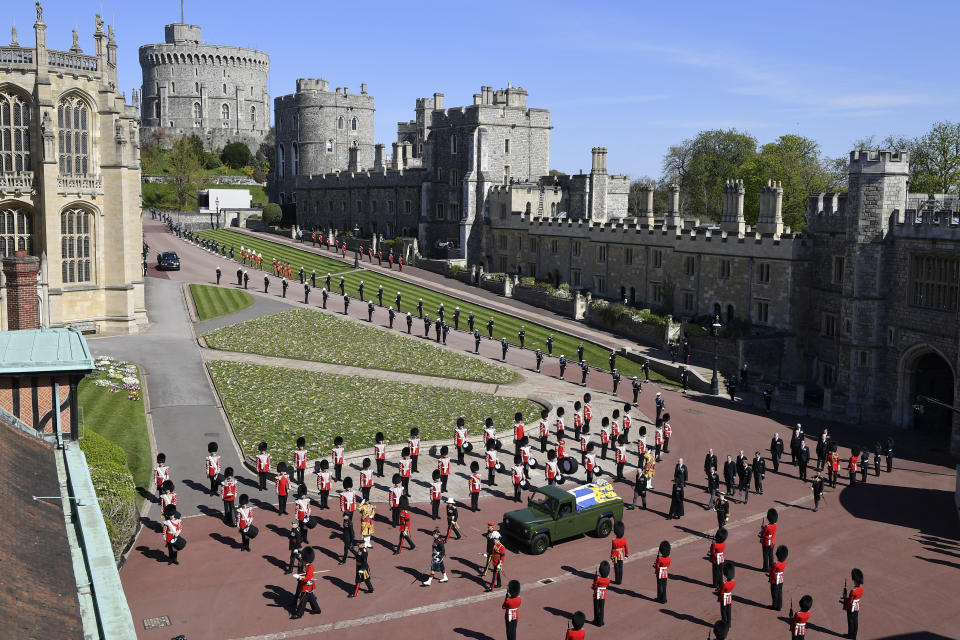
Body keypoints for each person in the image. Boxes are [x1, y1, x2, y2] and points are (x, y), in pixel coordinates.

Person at [291, 547, 321, 619]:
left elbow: (308, 578)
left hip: (307, 586)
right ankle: (316, 609)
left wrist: (299, 577)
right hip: (308, 585)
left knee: (302, 600)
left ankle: (299, 614)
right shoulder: (307, 565)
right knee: (311, 598)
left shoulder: (309, 567)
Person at [842, 568, 864, 639]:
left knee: (850, 622)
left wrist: (845, 598)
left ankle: (850, 635)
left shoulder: (853, 591)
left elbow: (850, 601)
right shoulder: (861, 589)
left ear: (855, 581)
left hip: (851, 607)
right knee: (855, 621)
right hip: (856, 606)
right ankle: (854, 635)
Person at [591, 560, 611, 627]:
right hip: (603, 595)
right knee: (602, 608)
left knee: (596, 608)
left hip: (596, 594)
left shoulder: (598, 579)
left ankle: (596, 620)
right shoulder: (608, 579)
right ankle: (601, 621)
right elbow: (607, 585)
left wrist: (594, 582)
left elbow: (595, 586)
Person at [716, 561, 736, 626]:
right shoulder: (733, 582)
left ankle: (724, 622)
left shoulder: (724, 584)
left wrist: (719, 590)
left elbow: (721, 592)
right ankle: (729, 623)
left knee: (723, 611)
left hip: (724, 598)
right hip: (729, 597)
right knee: (728, 610)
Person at [769, 544, 788, 611]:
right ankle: (779, 606)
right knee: (780, 592)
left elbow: (771, 572)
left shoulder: (775, 564)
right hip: (781, 580)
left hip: (774, 580)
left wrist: (769, 576)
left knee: (774, 593)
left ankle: (774, 606)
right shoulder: (784, 563)